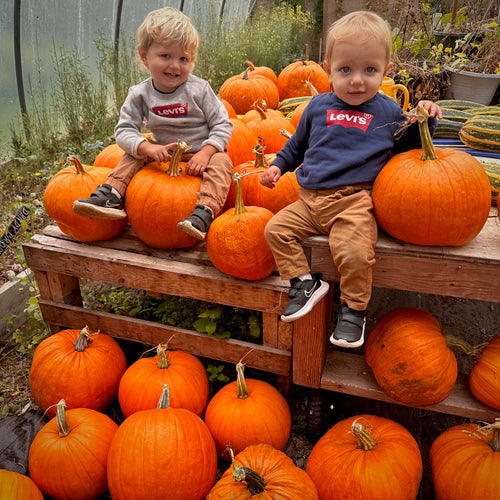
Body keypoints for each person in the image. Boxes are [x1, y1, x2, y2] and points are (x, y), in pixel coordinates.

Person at [260, 10, 442, 348]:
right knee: (275, 230)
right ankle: (303, 282)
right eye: (346, 70)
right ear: (328, 69)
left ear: (385, 72)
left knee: (355, 253)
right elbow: (296, 146)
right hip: (310, 199)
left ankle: (354, 311)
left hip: (354, 200)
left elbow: (408, 148)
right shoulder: (316, 107)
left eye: (369, 70)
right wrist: (277, 167)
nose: (357, 80)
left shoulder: (388, 111)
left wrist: (424, 121)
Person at [73, 7, 233, 240]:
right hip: (163, 153)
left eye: (183, 59)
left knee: (223, 162)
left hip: (201, 152)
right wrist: (148, 148)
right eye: (165, 56)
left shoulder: (199, 89)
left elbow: (222, 124)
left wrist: (207, 152)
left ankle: (204, 213)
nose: (175, 66)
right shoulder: (140, 94)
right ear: (144, 55)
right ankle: (111, 196)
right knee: (133, 152)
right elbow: (124, 129)